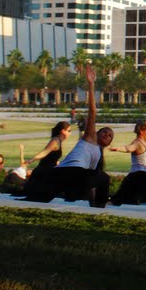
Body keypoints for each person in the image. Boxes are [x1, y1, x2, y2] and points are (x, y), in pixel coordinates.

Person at [24, 65, 112, 208]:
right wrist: (91, 84)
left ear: (109, 143)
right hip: (68, 172)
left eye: (109, 136)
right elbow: (92, 111)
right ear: (96, 132)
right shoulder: (90, 138)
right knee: (105, 178)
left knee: (38, 201)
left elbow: (91, 184)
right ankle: (99, 208)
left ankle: (91, 205)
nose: (106, 134)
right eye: (104, 131)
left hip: (67, 176)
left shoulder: (96, 156)